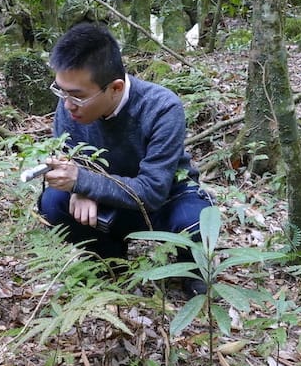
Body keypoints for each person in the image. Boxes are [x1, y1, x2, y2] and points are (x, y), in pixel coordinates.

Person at [37, 22, 213, 297]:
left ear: (116, 88)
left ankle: (191, 270)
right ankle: (109, 261)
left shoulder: (161, 107)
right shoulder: (69, 104)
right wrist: (78, 188)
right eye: (61, 90)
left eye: (77, 96)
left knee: (198, 220)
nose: (67, 103)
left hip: (166, 200)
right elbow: (69, 160)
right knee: (53, 203)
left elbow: (155, 189)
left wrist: (83, 182)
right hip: (109, 204)